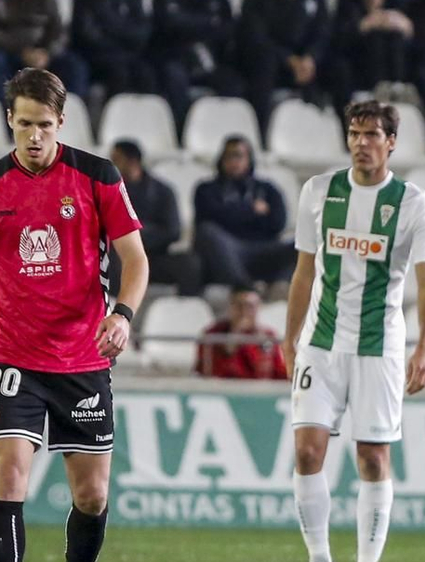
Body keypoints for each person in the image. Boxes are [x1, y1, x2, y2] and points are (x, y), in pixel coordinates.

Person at [0, 67, 149, 562]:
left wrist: (122, 315)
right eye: (24, 123)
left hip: (83, 357)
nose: (34, 136)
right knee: (8, 477)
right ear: (10, 119)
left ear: (62, 124)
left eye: (46, 125)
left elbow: (136, 261)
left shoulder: (97, 177)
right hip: (13, 355)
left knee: (92, 496)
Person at [281, 100, 425, 562]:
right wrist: (290, 339)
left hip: (379, 347)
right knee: (308, 450)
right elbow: (304, 273)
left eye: (372, 134)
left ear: (392, 142)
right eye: (354, 133)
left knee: (373, 456)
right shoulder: (319, 192)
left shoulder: (414, 203)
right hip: (322, 345)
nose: (361, 143)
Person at [151, 0, 242, 127]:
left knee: (234, 83)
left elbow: (226, 32)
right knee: (173, 77)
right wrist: (208, 24)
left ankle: (224, 128)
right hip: (176, 59)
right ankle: (181, 130)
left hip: (210, 60)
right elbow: (167, 27)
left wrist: (185, 23)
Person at [237, 0, 329, 128]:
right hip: (271, 61)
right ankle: (260, 127)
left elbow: (323, 32)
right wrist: (289, 59)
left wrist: (310, 58)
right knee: (264, 63)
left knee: (338, 67)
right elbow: (256, 37)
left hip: (304, 63)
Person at [194, 135, 296, 289]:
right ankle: (244, 289)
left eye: (239, 156)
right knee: (207, 232)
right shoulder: (206, 189)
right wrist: (251, 210)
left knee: (304, 245)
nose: (234, 161)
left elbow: (277, 223)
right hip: (227, 250)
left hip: (264, 249)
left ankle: (280, 288)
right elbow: (209, 218)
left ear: (249, 159)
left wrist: (233, 213)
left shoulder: (268, 189)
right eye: (229, 156)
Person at [110, 139, 201, 295]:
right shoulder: (108, 190)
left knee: (190, 264)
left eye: (116, 159)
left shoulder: (163, 191)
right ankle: (116, 310)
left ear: (132, 161)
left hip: (155, 256)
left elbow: (173, 231)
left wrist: (136, 235)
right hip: (120, 257)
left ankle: (187, 311)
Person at [327, 0, 414, 105]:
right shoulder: (348, 4)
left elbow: (409, 31)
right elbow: (338, 41)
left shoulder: (397, 3)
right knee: (375, 37)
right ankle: (375, 89)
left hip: (392, 63)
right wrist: (364, 25)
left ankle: (397, 86)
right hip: (359, 64)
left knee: (394, 35)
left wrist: (402, 24)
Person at [69, 0, 151, 98]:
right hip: (95, 56)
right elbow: (87, 35)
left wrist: (113, 29)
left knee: (147, 71)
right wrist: (122, 35)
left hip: (127, 53)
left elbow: (142, 30)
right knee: (118, 71)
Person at [198, 287, 287, 379]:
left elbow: (277, 373)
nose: (244, 312)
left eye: (250, 307)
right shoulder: (213, 335)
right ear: (230, 307)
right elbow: (209, 373)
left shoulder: (268, 336)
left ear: (258, 308)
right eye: (239, 306)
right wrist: (231, 343)